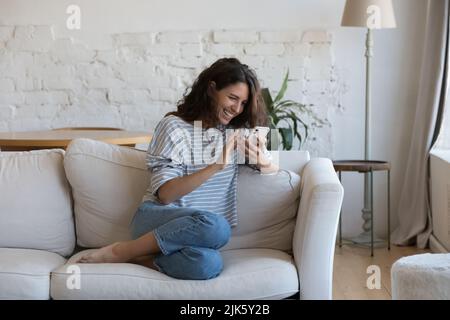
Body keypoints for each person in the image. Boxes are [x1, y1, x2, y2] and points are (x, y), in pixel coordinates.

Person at [76, 57, 279, 280]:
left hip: (195, 235)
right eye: (232, 98)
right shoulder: (173, 126)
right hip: (156, 218)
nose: (237, 109)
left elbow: (274, 168)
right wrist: (215, 166)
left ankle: (138, 258)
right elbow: (165, 194)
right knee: (218, 227)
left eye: (243, 103)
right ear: (212, 89)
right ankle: (121, 251)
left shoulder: (234, 133)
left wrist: (263, 161)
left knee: (208, 264)